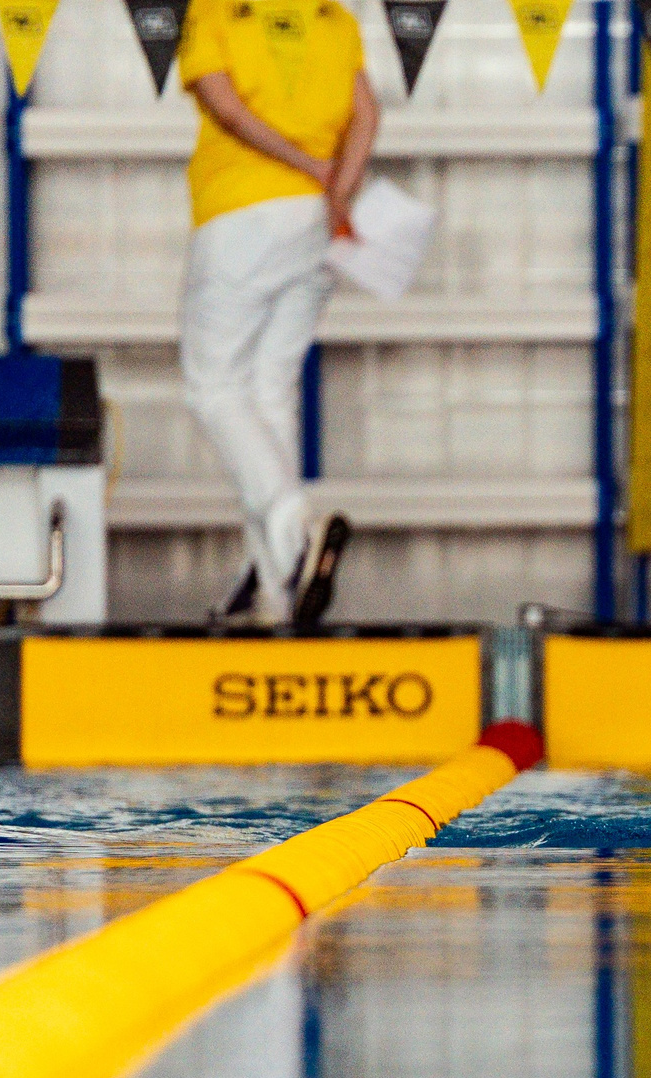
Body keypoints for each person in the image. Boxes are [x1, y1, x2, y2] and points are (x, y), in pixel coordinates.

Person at [177, 0, 375, 626]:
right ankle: (274, 593)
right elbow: (367, 115)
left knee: (213, 385)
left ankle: (294, 532)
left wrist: (310, 166)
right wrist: (337, 187)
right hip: (313, 225)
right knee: (269, 393)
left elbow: (228, 110)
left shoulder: (213, 13)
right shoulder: (335, 20)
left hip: (239, 218)